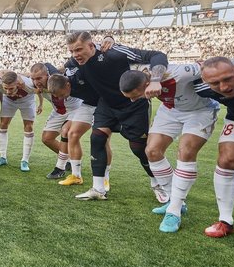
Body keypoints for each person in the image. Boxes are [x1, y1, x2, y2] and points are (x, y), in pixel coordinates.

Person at [66, 32, 169, 202]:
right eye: (72, 51)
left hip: (134, 104)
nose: (75, 55)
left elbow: (157, 55)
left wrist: (156, 79)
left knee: (138, 148)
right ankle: (98, 189)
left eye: (78, 49)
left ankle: (157, 184)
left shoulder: (115, 53)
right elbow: (65, 74)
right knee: (97, 138)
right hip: (106, 104)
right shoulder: (74, 63)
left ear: (91, 46)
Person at [119, 64, 220, 233]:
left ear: (146, 85)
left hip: (200, 111)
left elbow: (207, 67)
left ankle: (174, 211)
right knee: (151, 151)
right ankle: (174, 201)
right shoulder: (143, 72)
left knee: (185, 152)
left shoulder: (180, 73)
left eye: (135, 96)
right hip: (171, 110)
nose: (133, 100)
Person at [198, 57, 234, 237]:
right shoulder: (202, 88)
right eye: (215, 83)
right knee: (226, 160)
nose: (223, 87)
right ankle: (225, 220)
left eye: (228, 79)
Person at [47, 73, 112, 189]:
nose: (61, 98)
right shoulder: (63, 82)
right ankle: (76, 176)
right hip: (87, 105)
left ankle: (105, 178)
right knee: (72, 134)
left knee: (102, 139)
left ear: (68, 85)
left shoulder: (82, 79)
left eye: (62, 94)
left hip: (105, 103)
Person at [30, 63, 82, 179]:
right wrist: (40, 103)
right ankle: (69, 158)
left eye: (39, 78)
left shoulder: (58, 79)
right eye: (33, 79)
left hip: (75, 108)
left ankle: (60, 168)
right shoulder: (35, 84)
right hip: (58, 111)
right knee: (47, 138)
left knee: (67, 132)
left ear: (47, 74)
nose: (36, 81)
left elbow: (56, 68)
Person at [0, 70, 40, 171]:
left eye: (11, 88)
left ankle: (25, 160)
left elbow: (38, 91)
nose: (8, 91)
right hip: (9, 101)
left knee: (28, 126)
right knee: (3, 124)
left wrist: (41, 104)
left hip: (27, 101)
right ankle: (2, 157)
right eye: (6, 88)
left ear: (18, 83)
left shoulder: (28, 83)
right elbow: (1, 72)